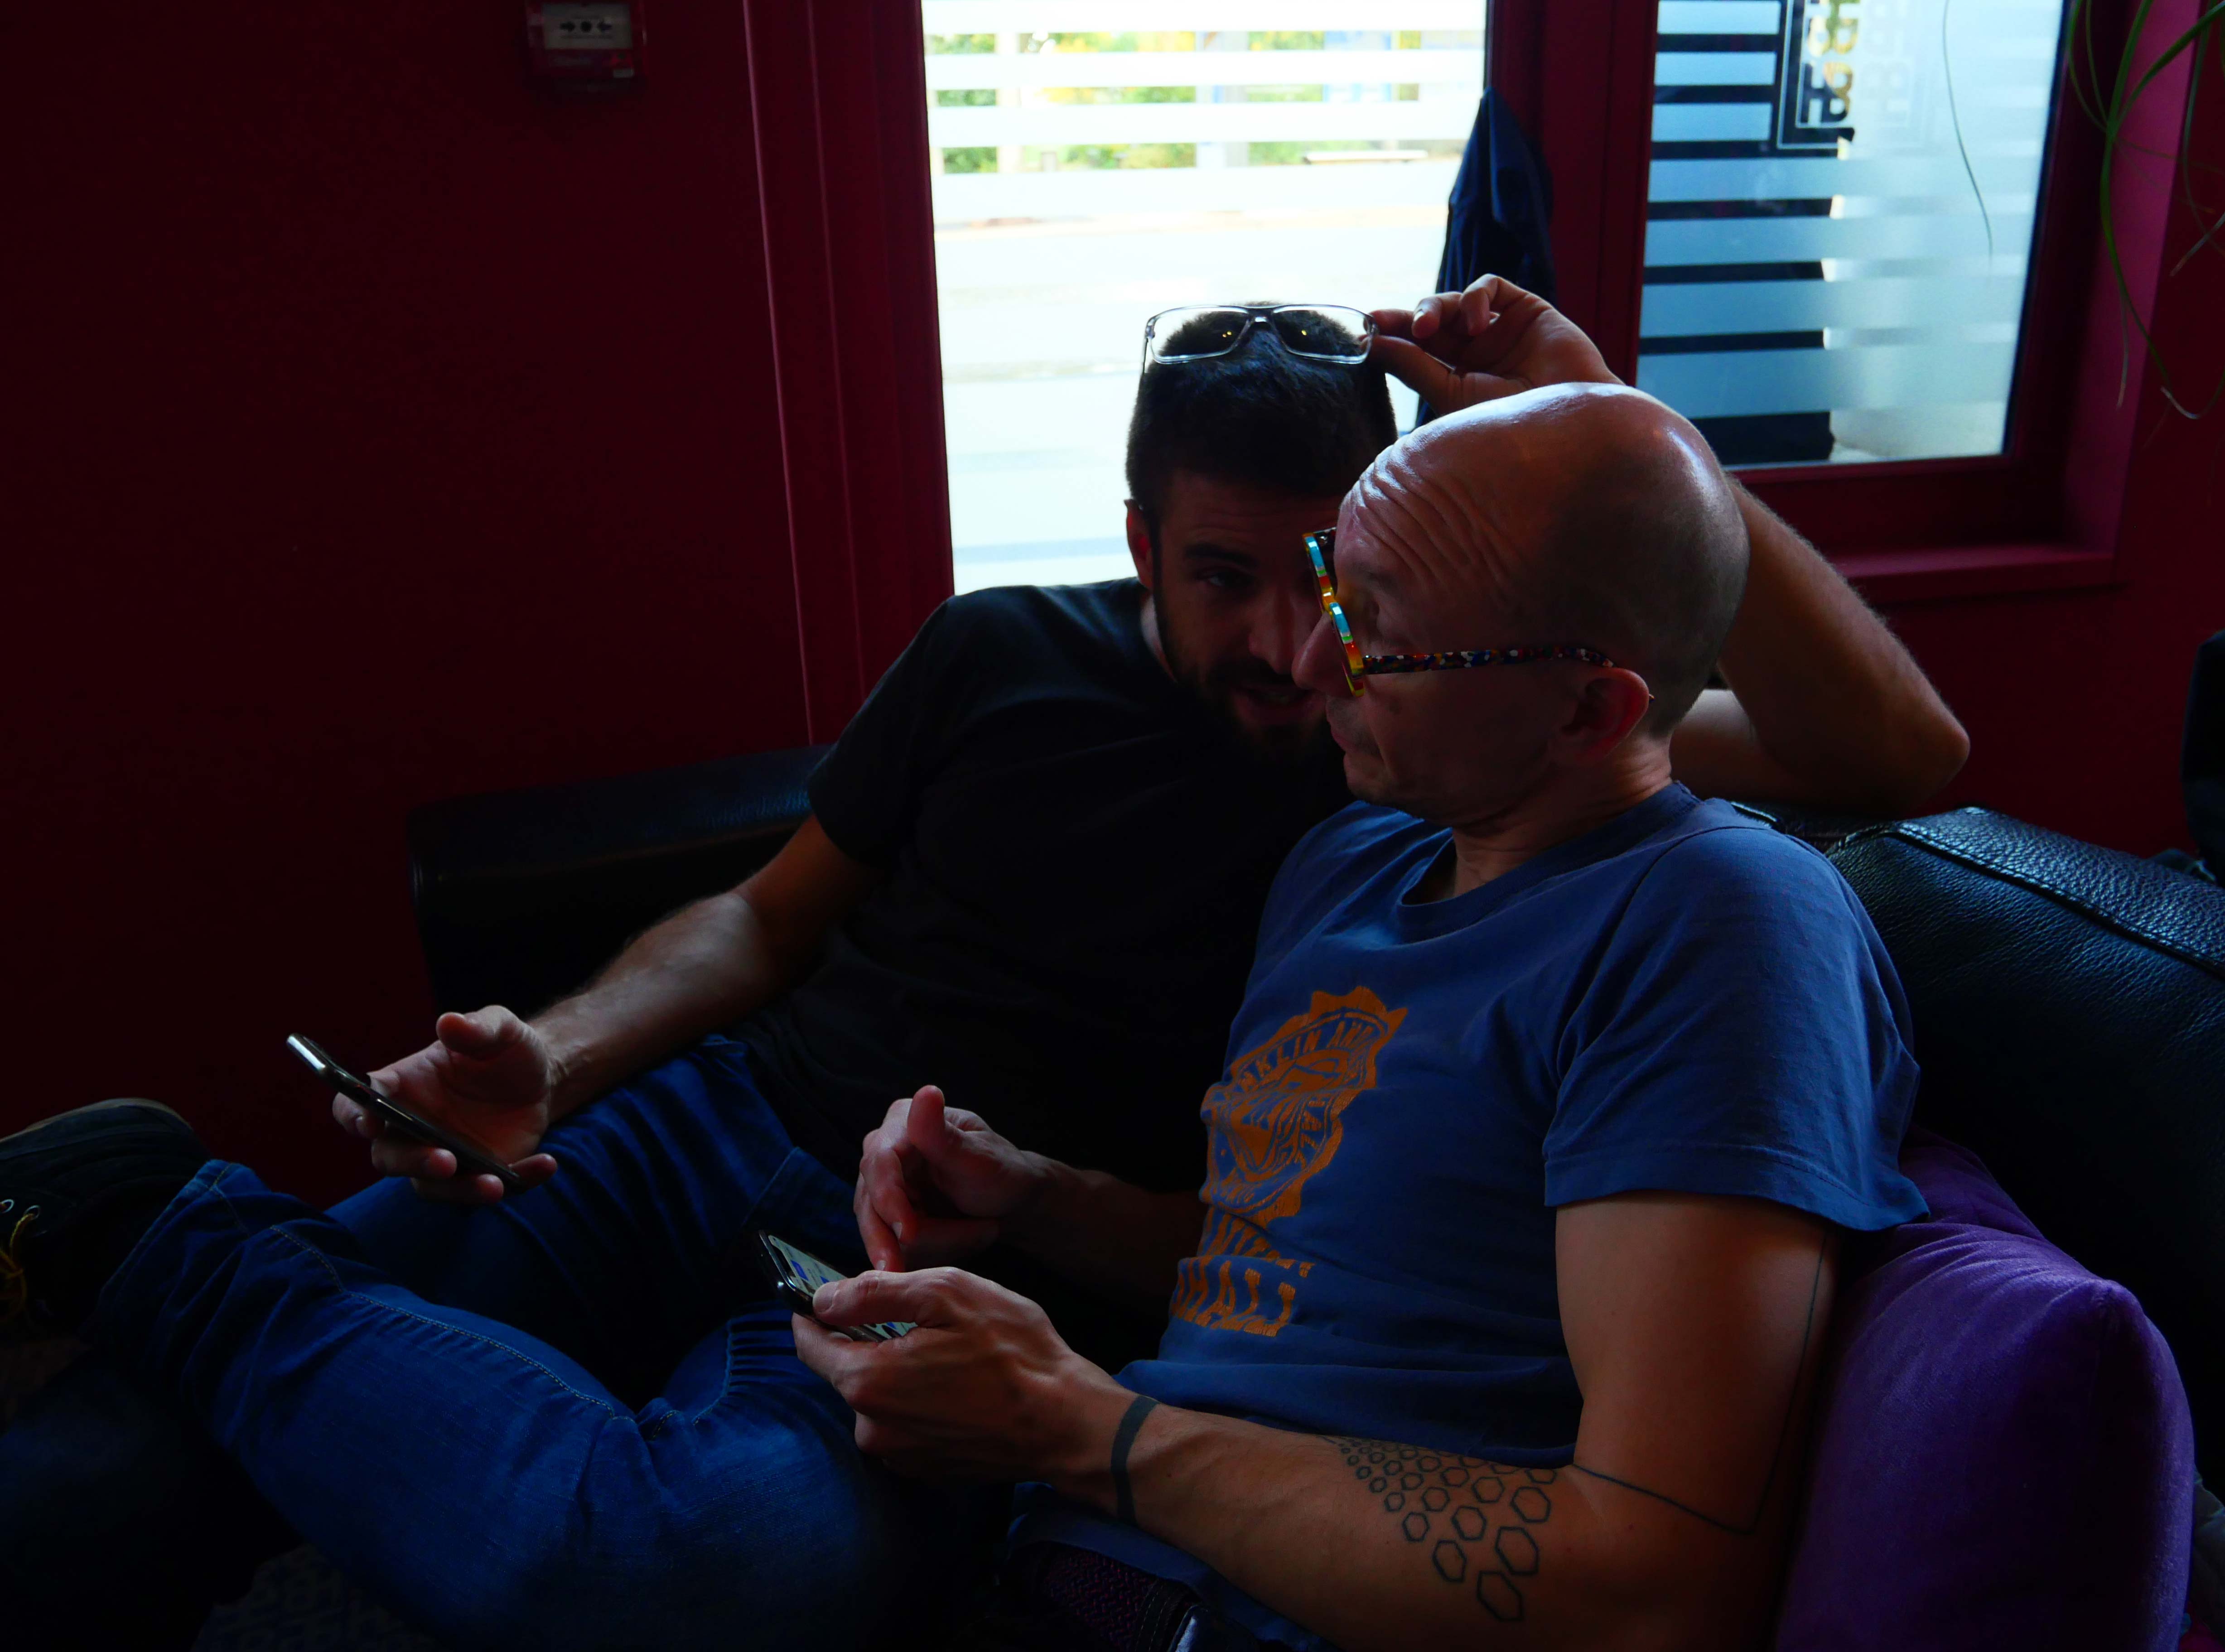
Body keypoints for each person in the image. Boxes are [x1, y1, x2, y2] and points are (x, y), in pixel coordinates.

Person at [0, 284, 1961, 1650]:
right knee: (100, 1486)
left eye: (1342, 593)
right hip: (736, 1132)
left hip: (951, 1295)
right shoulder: (1054, 674)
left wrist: (1619, 417)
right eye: (1237, 581)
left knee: (701, 1570)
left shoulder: (1472, 767)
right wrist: (565, 1060)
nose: (1295, 652)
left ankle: (156, 1225)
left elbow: (1877, 749)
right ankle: (147, 1257)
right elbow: (770, 919)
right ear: (1140, 541)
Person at [799, 381, 1930, 1652]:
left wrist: (1078, 1426)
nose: (1304, 660)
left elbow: (1653, 1583)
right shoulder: (1348, 860)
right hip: (1060, 1573)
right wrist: (1038, 1197)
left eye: (1373, 631)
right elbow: (1292, 1275)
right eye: (1338, 583)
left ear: (1588, 712)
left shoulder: (1721, 923)